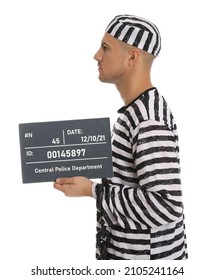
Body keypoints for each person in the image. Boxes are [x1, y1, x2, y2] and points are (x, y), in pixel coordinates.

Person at [54, 14, 188, 260]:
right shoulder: (136, 112)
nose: (97, 55)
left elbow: (166, 206)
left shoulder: (148, 120)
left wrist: (92, 190)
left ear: (132, 57)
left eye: (106, 48)